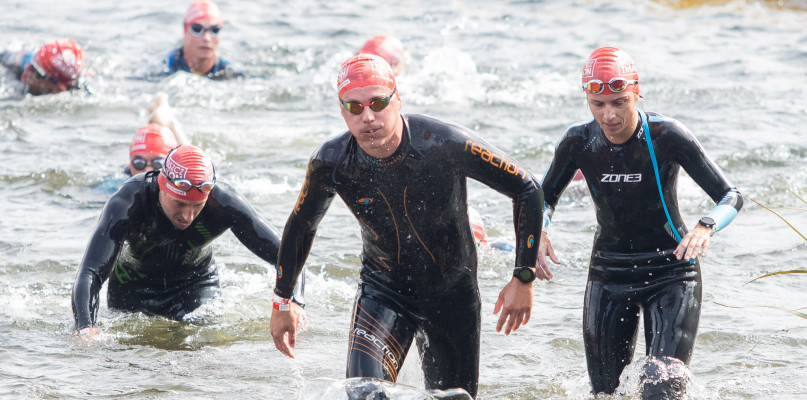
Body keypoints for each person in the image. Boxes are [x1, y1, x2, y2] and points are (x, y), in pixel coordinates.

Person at [269, 53, 543, 398]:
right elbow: (301, 226)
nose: (367, 117)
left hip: (451, 295)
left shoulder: (443, 143)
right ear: (342, 112)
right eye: (354, 107)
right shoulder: (331, 162)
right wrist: (283, 301)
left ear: (397, 100)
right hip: (384, 292)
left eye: (378, 103)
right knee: (364, 394)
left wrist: (524, 277)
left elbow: (527, 187)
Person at [537, 46, 743, 398]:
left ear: (636, 92)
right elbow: (543, 198)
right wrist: (539, 230)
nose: (609, 115)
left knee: (661, 388)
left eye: (619, 102)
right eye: (598, 104)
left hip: (672, 272)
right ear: (586, 97)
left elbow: (731, 195)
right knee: (605, 393)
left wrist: (705, 226)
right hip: (609, 273)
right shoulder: (577, 141)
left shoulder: (667, 136)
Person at [72, 144, 302, 336]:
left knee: (196, 347)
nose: (187, 216)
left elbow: (286, 256)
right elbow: (90, 272)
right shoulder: (128, 202)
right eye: (180, 204)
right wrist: (85, 328)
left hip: (194, 286)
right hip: (131, 288)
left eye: (197, 206)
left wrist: (293, 302)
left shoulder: (223, 203)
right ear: (162, 186)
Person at [158, 0, 243, 80]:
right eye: (197, 29)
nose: (206, 38)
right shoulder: (163, 70)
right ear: (185, 31)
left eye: (215, 30)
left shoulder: (232, 72)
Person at [0, 38, 85, 95]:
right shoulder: (20, 64)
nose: (28, 67)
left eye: (35, 69)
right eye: (33, 62)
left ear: (56, 88)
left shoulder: (82, 92)